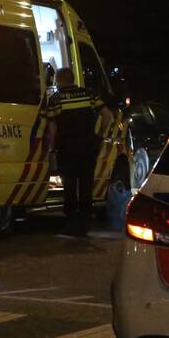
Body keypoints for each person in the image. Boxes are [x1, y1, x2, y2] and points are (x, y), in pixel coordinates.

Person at [44, 67, 114, 235]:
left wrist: (52, 148)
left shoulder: (56, 98)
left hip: (67, 148)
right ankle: (85, 223)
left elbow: (52, 127)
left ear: (58, 81)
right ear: (73, 79)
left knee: (69, 185)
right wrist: (100, 135)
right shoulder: (88, 94)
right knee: (86, 184)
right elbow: (108, 115)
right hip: (88, 147)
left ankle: (71, 223)